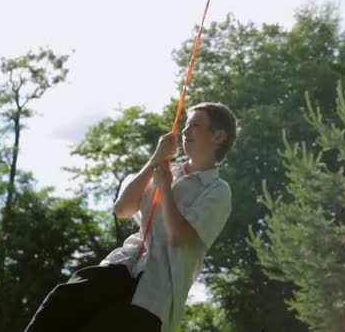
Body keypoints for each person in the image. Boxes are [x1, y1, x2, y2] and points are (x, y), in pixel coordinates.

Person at [24, 102, 237, 332]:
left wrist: (165, 188)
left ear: (218, 136)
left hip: (156, 293)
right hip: (123, 265)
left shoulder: (217, 191)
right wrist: (155, 159)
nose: (184, 131)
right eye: (185, 125)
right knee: (63, 299)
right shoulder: (165, 169)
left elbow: (179, 237)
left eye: (195, 125)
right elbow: (122, 208)